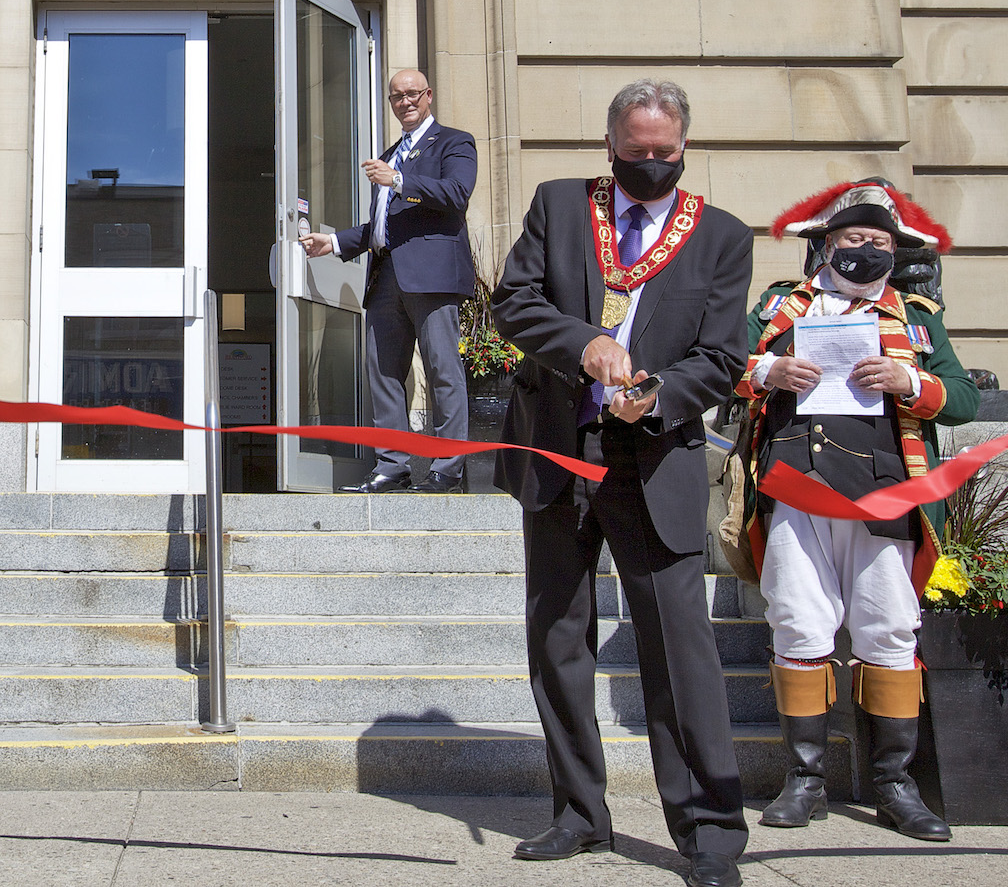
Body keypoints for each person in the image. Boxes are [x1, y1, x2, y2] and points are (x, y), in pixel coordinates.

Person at [489, 79, 753, 887]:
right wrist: (583, 343)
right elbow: (513, 301)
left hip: (653, 457)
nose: (649, 165)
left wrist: (659, 392)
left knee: (679, 644)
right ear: (609, 144)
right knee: (558, 637)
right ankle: (578, 813)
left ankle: (708, 831)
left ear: (683, 146)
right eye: (634, 153)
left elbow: (720, 356)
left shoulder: (719, 235)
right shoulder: (560, 205)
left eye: (663, 154)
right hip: (559, 453)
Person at [734, 182, 976, 841]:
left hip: (882, 490)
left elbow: (962, 397)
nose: (865, 250)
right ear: (826, 243)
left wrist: (910, 382)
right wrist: (768, 371)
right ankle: (804, 777)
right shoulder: (780, 305)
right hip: (797, 486)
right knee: (798, 625)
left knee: (889, 629)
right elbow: (725, 361)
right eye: (852, 238)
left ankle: (895, 784)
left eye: (878, 241)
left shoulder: (918, 317)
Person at [301, 68, 476, 493]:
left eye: (413, 94)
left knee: (441, 370)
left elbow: (457, 193)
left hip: (432, 277)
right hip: (385, 277)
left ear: (429, 95)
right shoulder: (392, 152)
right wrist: (336, 241)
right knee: (382, 373)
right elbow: (383, 226)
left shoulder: (454, 142)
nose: (405, 102)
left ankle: (447, 469)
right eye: (397, 96)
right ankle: (392, 466)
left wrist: (397, 179)